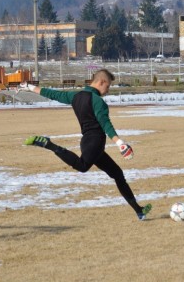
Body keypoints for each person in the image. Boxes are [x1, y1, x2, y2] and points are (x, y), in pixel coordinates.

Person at [19, 69, 152, 221]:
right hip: (94, 142)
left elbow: (53, 94)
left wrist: (30, 87)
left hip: (90, 143)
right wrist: (120, 143)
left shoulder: (76, 95)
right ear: (101, 82)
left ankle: (139, 210)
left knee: (117, 174)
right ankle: (48, 144)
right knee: (82, 166)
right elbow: (105, 124)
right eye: (107, 86)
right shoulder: (98, 101)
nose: (107, 91)